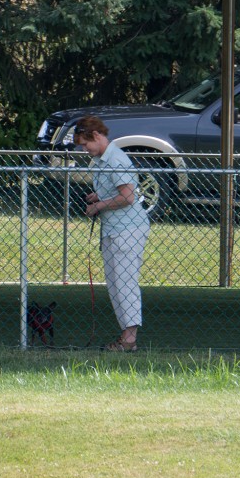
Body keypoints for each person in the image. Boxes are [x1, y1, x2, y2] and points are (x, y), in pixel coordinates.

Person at [72, 115, 150, 352]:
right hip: (114, 229)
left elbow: (128, 197)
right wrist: (99, 196)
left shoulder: (116, 158)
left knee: (124, 282)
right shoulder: (103, 159)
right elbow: (118, 190)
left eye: (86, 144)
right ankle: (126, 337)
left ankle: (129, 340)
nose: (85, 150)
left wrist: (99, 206)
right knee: (115, 284)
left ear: (96, 136)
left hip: (128, 230)